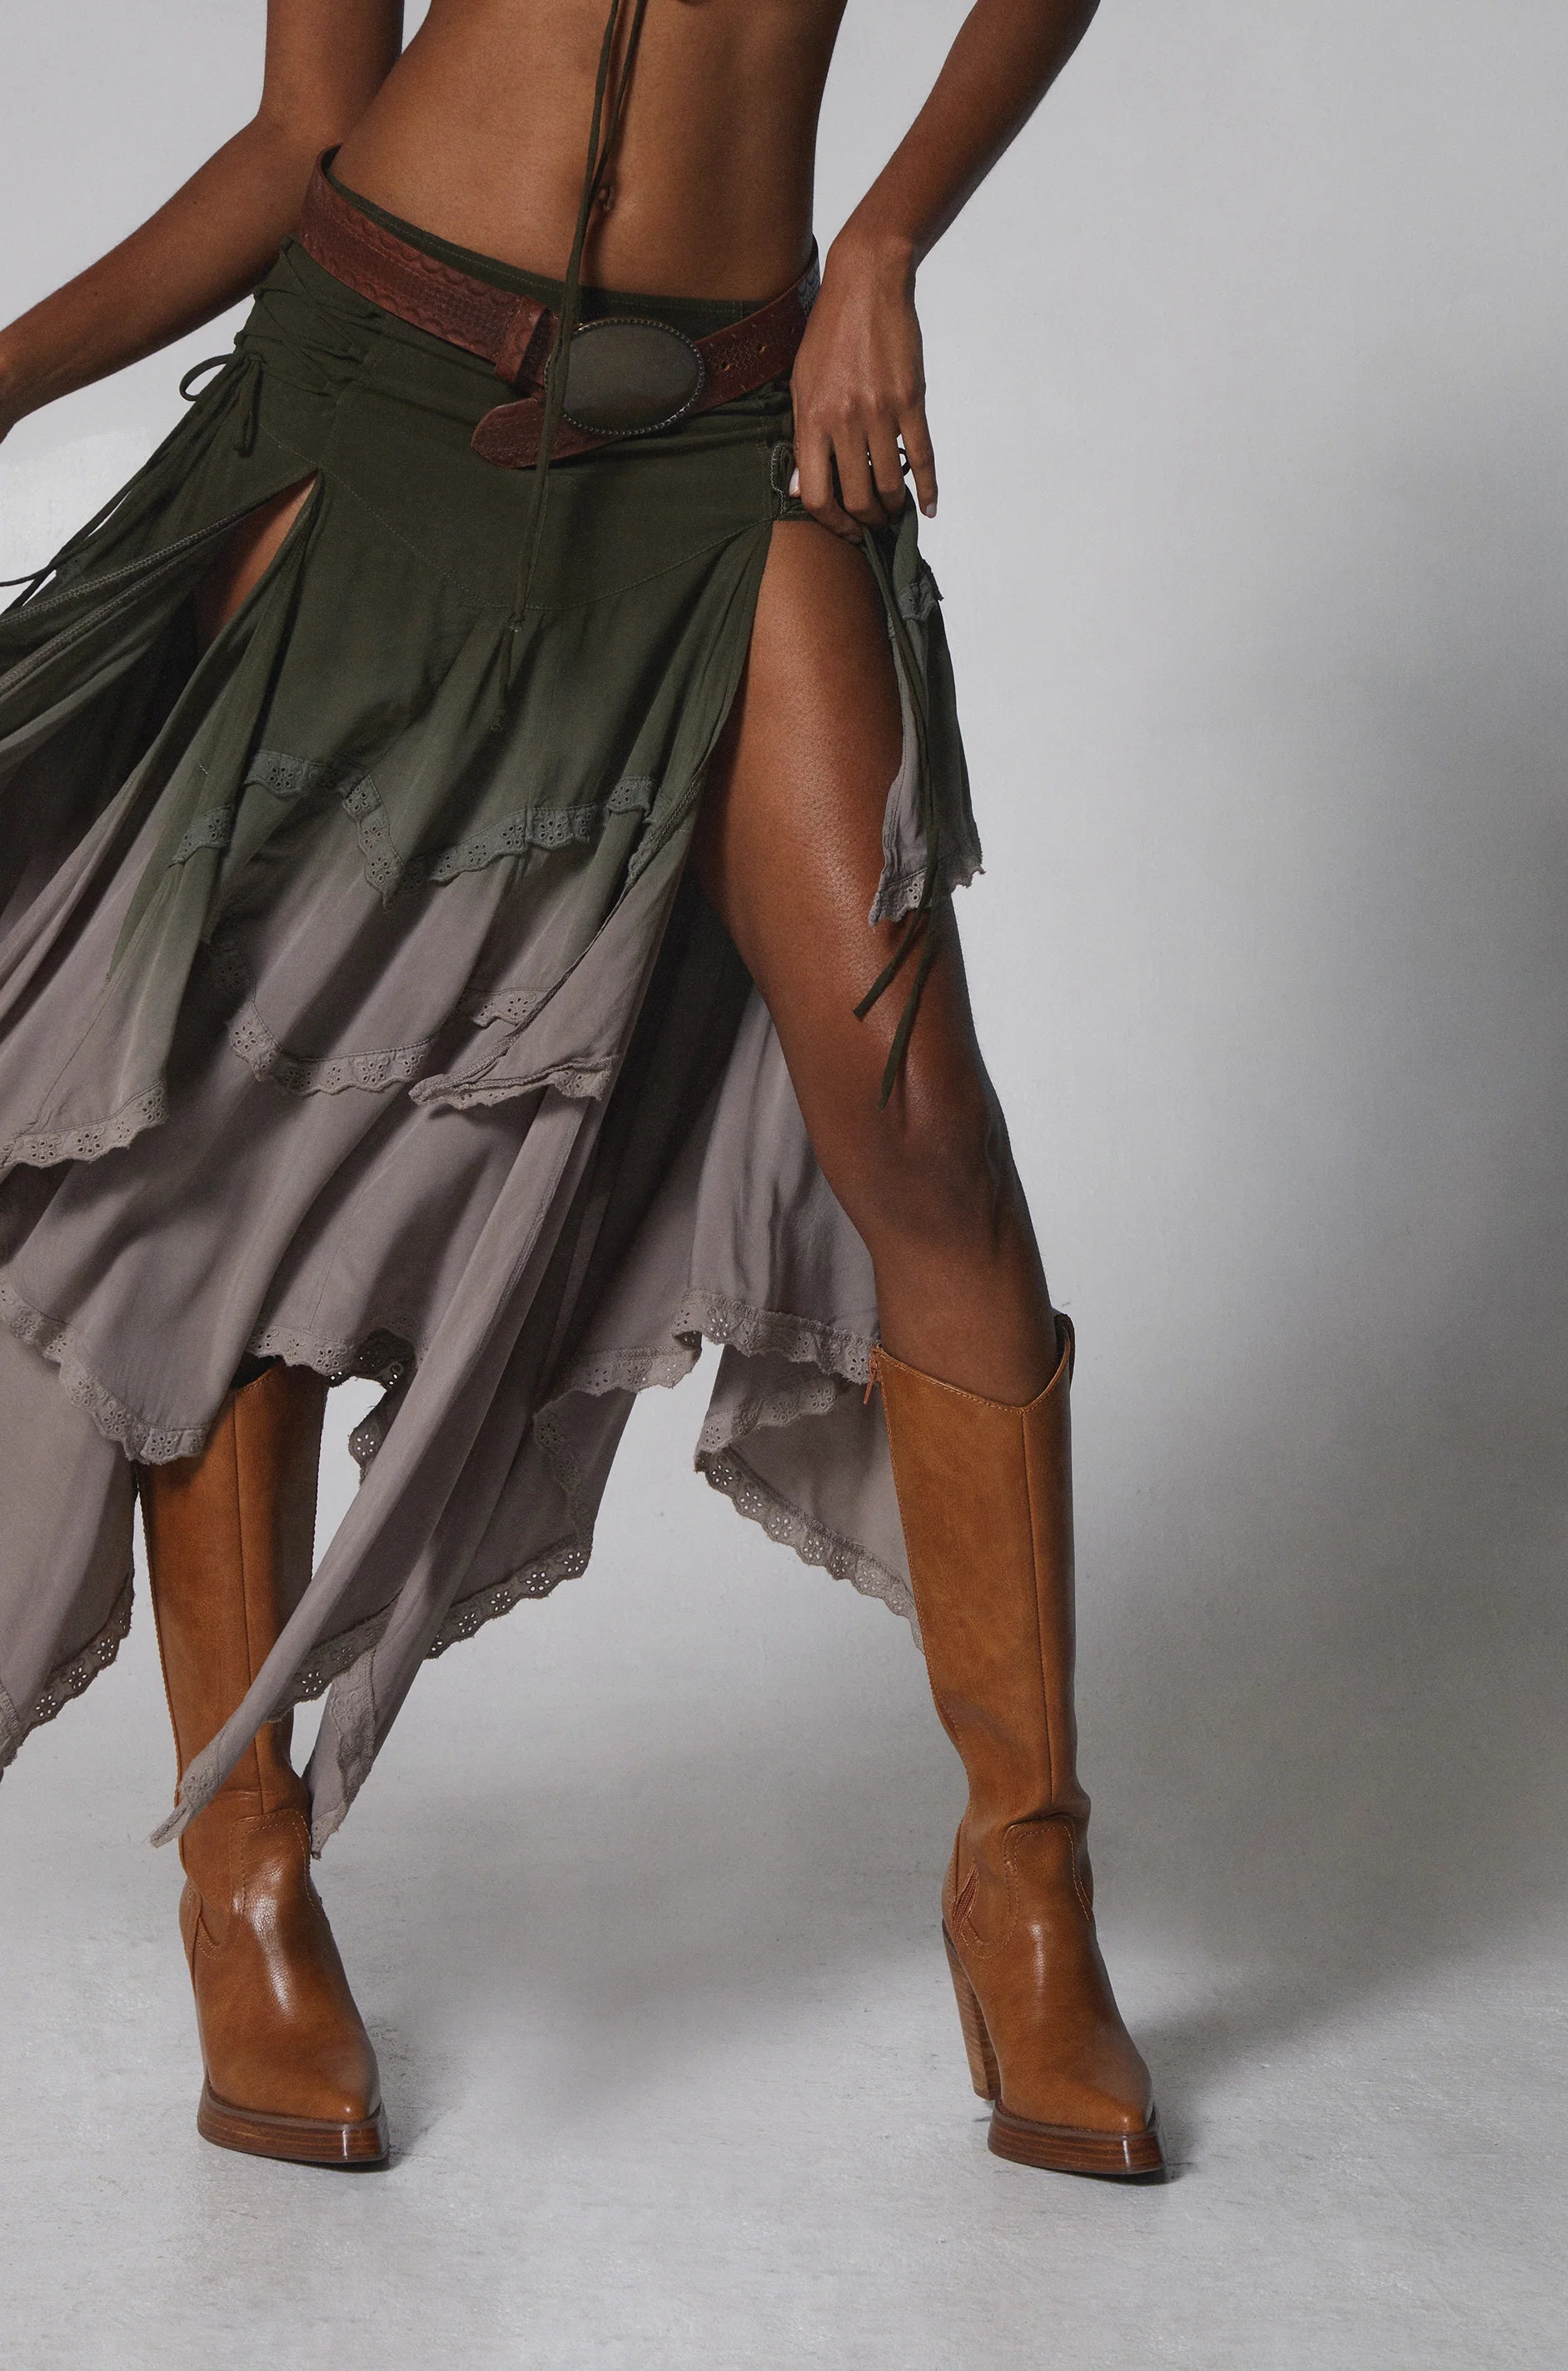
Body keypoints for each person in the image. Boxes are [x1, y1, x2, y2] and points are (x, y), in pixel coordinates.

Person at [0, 0, 1161, 2179]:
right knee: (240, 1140)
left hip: (734, 439)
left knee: (917, 1125)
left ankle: (1028, 1877)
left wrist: (889, 238)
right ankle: (243, 1866)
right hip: (375, 396)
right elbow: (304, 129)